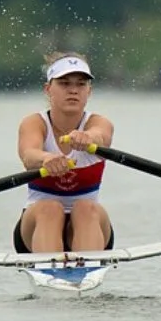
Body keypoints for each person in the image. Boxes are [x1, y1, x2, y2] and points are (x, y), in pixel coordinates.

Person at [13, 51, 115, 254]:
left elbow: (100, 136)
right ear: (48, 89)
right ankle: (50, 267)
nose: (73, 90)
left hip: (90, 223)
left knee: (85, 207)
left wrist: (88, 138)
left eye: (81, 84)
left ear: (89, 91)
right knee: (50, 207)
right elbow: (29, 155)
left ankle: (86, 266)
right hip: (37, 224)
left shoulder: (99, 122)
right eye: (64, 83)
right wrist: (46, 158)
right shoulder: (34, 123)